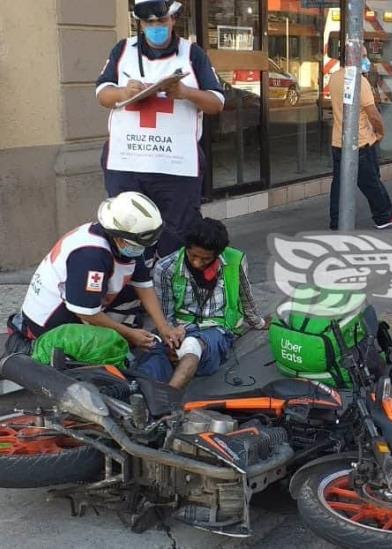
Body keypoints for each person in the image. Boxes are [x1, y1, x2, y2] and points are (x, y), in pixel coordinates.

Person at [96, 0, 224, 258]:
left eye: (161, 21)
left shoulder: (193, 54)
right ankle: (135, 292)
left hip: (176, 167)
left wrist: (186, 92)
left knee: (177, 239)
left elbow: (217, 102)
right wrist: (124, 92)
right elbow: (102, 94)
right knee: (127, 237)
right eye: (149, 23)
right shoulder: (122, 50)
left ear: (173, 19)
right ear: (140, 24)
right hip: (127, 163)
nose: (156, 27)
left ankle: (171, 294)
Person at [16, 192, 183, 351]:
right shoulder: (91, 256)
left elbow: (144, 287)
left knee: (132, 298)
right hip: (51, 324)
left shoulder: (128, 244)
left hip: (79, 306)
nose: (141, 250)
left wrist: (164, 327)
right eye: (137, 245)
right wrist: (129, 334)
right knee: (113, 351)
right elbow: (86, 312)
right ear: (118, 236)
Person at [135, 218, 268, 389]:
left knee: (192, 346)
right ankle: (133, 396)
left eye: (205, 259)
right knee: (156, 359)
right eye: (193, 256)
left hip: (216, 329)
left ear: (218, 254)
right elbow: (165, 315)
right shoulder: (165, 267)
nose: (198, 263)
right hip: (178, 329)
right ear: (186, 248)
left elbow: (245, 296)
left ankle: (167, 401)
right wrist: (172, 338)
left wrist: (259, 323)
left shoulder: (234, 260)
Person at [329, 46, 392, 230]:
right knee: (371, 182)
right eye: (363, 56)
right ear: (353, 58)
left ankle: (336, 220)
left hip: (339, 141)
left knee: (339, 184)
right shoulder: (360, 82)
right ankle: (383, 216)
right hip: (360, 141)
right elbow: (374, 114)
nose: (367, 59)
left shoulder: (334, 77)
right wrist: (380, 133)